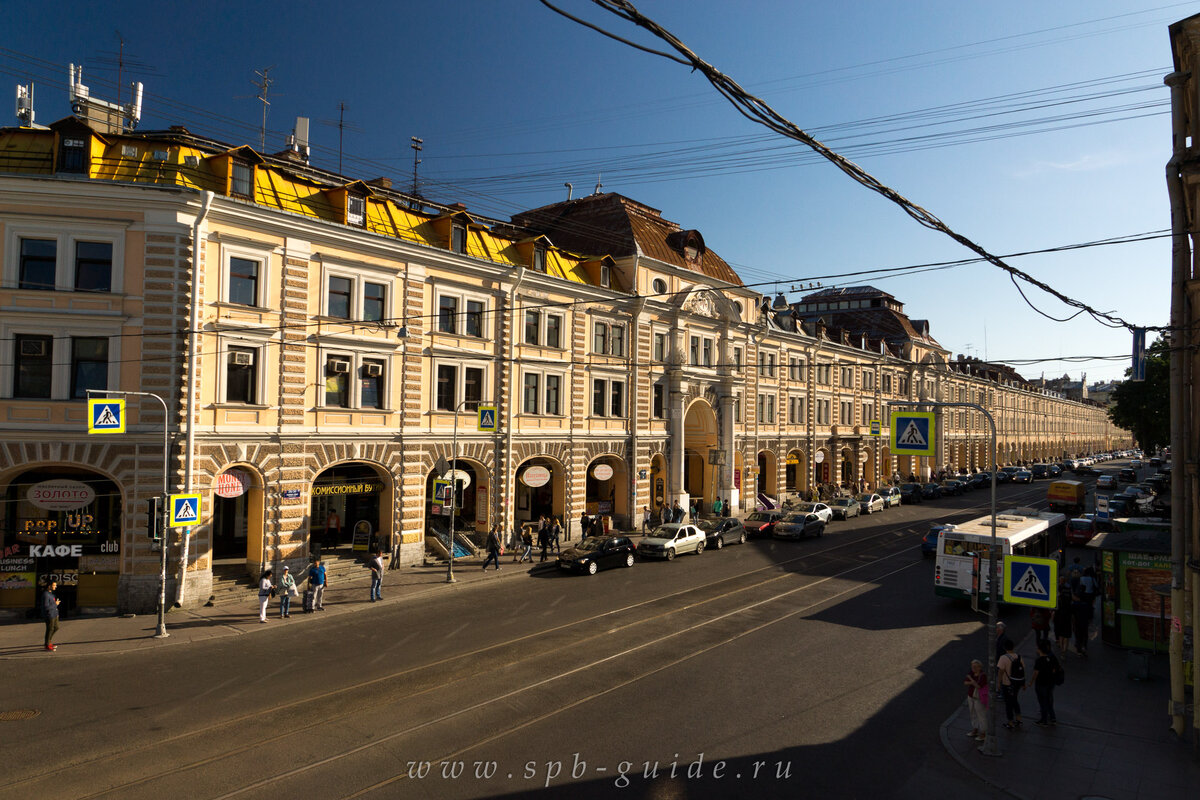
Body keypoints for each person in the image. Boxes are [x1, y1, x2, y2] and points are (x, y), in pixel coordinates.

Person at [1030, 640, 1061, 726]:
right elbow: (1056, 668)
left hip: (1041, 683)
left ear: (1040, 650)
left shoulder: (1039, 660)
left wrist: (1031, 682)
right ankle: (1052, 717)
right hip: (1050, 682)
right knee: (1049, 699)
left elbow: (1036, 673)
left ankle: (1044, 721)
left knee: (1042, 701)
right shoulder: (1052, 657)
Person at [997, 640, 1026, 729]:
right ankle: (1019, 719)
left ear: (1005, 648)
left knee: (1008, 703)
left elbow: (1001, 671)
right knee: (1015, 700)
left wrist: (998, 683)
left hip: (1007, 684)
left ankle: (1010, 722)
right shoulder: (1018, 657)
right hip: (1017, 683)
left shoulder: (1003, 657)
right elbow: (1022, 670)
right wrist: (1023, 683)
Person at [963, 659, 988, 741]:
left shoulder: (983, 675)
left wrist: (971, 679)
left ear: (980, 667)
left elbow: (979, 686)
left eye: (975, 667)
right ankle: (975, 729)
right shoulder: (972, 672)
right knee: (972, 713)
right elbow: (965, 682)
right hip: (971, 696)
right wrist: (972, 682)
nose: (973, 668)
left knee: (981, 715)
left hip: (978, 698)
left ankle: (983, 733)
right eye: (972, 666)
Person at [1071, 590, 1092, 656]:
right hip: (1085, 623)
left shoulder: (1074, 605)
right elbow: (1090, 615)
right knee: (1084, 635)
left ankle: (1079, 650)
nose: (1073, 597)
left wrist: (1073, 623)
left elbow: (1072, 615)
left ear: (1077, 597)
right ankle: (1084, 647)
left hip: (1077, 623)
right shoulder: (1086, 604)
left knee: (1078, 636)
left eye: (1074, 596)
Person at [1054, 579, 1073, 652]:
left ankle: (1062, 649)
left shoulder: (1059, 603)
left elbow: (1055, 613)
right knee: (1066, 637)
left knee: (1061, 635)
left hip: (1060, 620)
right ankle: (1064, 650)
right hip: (1067, 620)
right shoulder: (1069, 604)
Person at [42, 578, 60, 651]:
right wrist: (55, 604)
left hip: (55, 614)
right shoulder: (46, 594)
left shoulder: (51, 594)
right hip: (49, 615)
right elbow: (46, 606)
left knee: (56, 627)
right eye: (54, 585)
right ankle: (47, 644)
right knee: (50, 629)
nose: (55, 587)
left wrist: (56, 611)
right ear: (49, 586)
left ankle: (49, 641)